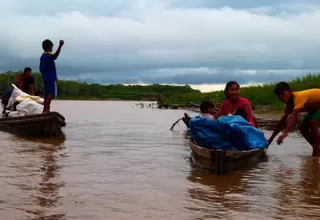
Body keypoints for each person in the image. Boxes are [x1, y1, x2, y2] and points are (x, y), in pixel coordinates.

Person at [268, 82, 320, 157]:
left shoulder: (299, 97)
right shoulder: (288, 105)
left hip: (317, 107)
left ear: (289, 91)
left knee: (313, 122)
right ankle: (317, 148)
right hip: (316, 108)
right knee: (302, 128)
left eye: (282, 94)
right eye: (279, 95)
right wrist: (271, 139)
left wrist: (286, 132)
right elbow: (281, 122)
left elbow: (294, 116)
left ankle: (316, 153)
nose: (281, 97)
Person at [39, 39, 64, 113]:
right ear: (49, 47)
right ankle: (46, 110)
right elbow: (55, 56)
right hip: (51, 77)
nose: (52, 49)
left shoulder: (42, 56)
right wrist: (60, 45)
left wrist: (44, 76)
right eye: (51, 47)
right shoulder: (48, 55)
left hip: (46, 77)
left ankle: (45, 110)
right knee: (51, 94)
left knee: (47, 95)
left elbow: (40, 69)